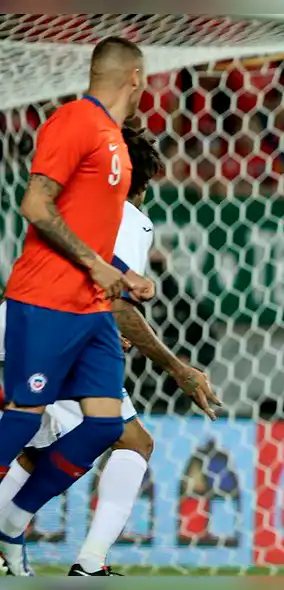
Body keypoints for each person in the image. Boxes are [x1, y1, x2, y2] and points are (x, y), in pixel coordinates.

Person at [0, 126, 220, 576]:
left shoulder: (70, 205)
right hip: (62, 340)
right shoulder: (128, 216)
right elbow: (117, 303)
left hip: (22, 326)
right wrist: (177, 368)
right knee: (121, 439)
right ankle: (77, 556)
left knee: (44, 446)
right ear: (142, 183)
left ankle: (69, 554)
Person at [0, 36, 154, 573]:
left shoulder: (115, 141)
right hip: (47, 298)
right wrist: (96, 265)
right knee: (25, 419)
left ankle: (12, 518)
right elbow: (35, 204)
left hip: (93, 309)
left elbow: (89, 225)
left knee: (108, 426)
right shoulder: (74, 121)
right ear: (135, 76)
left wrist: (124, 275)